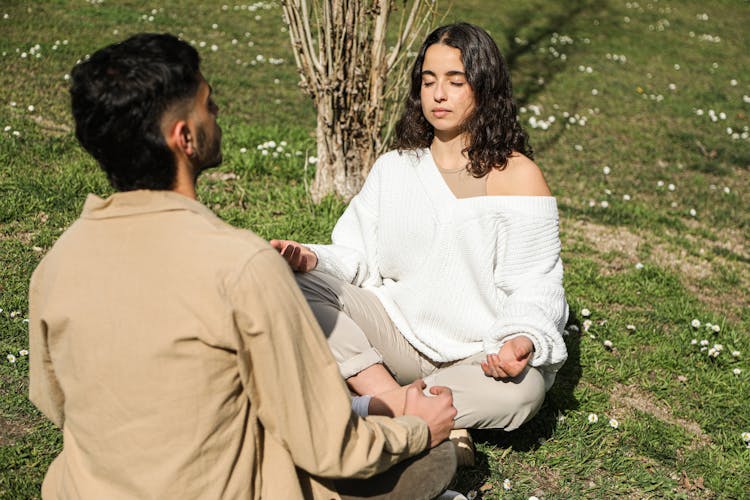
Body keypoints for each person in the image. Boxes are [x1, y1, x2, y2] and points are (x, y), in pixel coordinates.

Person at [28, 33, 460, 500]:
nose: (217, 114)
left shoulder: (59, 262)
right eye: (208, 104)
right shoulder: (240, 266)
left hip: (87, 488)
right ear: (185, 137)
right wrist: (418, 428)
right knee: (431, 456)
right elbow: (331, 448)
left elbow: (54, 402)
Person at [271, 22, 569, 458]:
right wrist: (310, 260)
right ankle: (402, 405)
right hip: (395, 334)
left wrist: (522, 338)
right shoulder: (395, 167)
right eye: (428, 81)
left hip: (477, 357)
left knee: (523, 393)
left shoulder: (518, 175)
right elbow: (357, 256)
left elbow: (537, 282)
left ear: (484, 88)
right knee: (285, 281)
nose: (438, 94)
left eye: (455, 81)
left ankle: (377, 407)